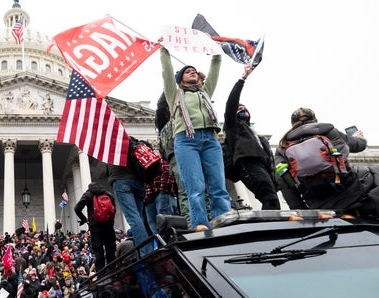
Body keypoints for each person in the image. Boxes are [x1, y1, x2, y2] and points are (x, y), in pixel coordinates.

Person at [159, 44, 232, 230]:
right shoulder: (174, 94)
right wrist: (164, 49)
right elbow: (166, 71)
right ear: (179, 79)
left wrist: (216, 51)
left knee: (218, 185)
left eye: (193, 70)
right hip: (186, 140)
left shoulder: (204, 92)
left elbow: (215, 67)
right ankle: (200, 223)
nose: (191, 71)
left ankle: (223, 220)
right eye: (186, 71)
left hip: (210, 138)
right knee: (195, 187)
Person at [275, 107, 378, 213]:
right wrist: (358, 137)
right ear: (315, 120)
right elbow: (359, 145)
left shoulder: (282, 147)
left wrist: (301, 210)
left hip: (317, 203)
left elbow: (283, 182)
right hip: (349, 193)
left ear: (292, 124)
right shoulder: (327, 131)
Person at [223, 64, 280, 210]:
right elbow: (231, 104)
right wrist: (242, 79)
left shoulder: (254, 134)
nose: (241, 109)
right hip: (248, 165)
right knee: (270, 199)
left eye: (244, 108)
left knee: (273, 200)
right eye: (238, 108)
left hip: (263, 166)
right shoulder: (232, 128)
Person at [106, 162, 151, 257]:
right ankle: (141, 251)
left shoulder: (110, 147)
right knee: (139, 218)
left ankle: (145, 252)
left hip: (120, 179)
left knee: (134, 218)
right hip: (137, 179)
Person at [74, 182, 117, 272]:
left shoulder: (88, 194)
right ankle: (113, 271)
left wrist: (84, 219)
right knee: (110, 249)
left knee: (98, 250)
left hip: (95, 226)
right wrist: (110, 221)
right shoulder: (107, 194)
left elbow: (77, 208)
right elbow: (113, 209)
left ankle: (100, 273)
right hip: (108, 225)